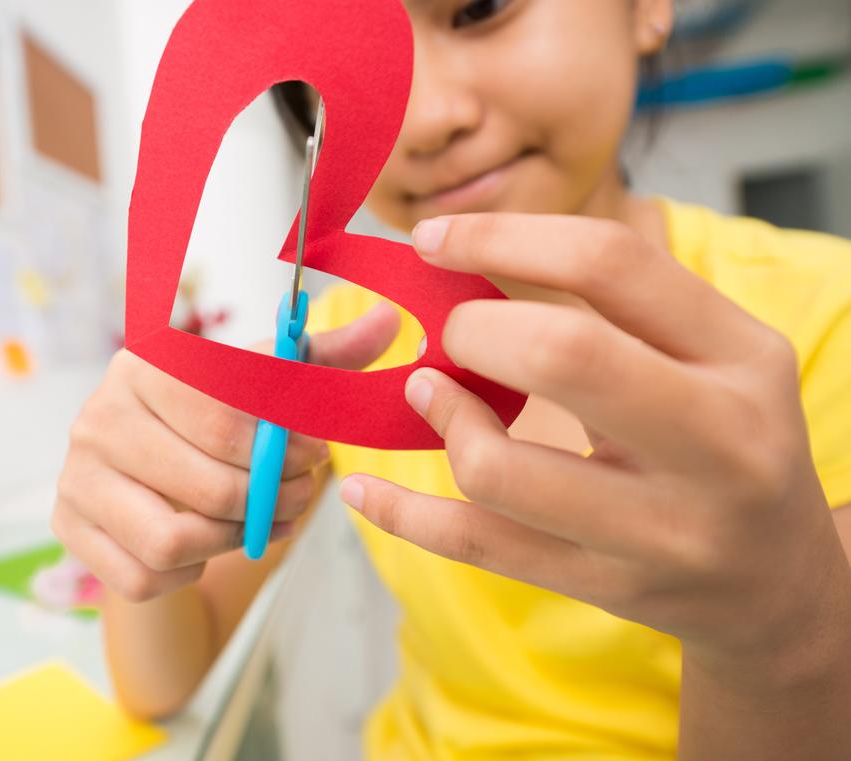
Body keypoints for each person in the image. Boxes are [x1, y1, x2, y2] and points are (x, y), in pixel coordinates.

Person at [51, 1, 851, 757]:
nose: (427, 120)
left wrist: (778, 637)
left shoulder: (825, 320)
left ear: (647, 5)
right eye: (346, 61)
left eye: (479, 8)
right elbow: (160, 678)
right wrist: (143, 509)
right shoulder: (348, 338)